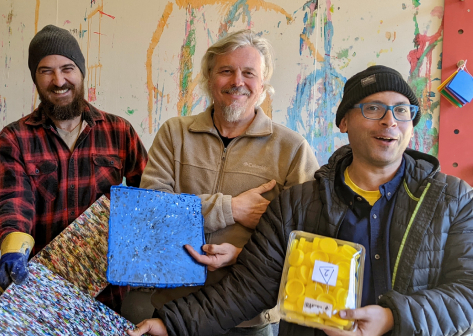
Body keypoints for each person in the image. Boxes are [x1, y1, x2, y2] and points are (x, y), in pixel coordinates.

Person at [129, 65, 473, 336]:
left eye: (402, 110)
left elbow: (468, 293)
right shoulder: (298, 203)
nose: (389, 121)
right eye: (373, 108)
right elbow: (247, 288)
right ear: (343, 121)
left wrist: (390, 318)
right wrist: (171, 324)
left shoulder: (452, 199)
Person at [132, 29, 319, 335]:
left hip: (250, 320)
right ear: (208, 79)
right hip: (172, 311)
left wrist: (243, 257)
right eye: (226, 71)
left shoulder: (292, 148)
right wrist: (229, 208)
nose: (237, 82)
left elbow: (308, 240)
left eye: (249, 73)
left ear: (263, 85)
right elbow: (151, 213)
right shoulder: (174, 134)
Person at [0, 25, 148, 311]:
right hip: (41, 292)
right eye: (45, 71)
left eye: (67, 68)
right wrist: (13, 248)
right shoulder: (14, 138)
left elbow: (150, 195)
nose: (58, 80)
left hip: (109, 293)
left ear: (81, 72)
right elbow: (13, 202)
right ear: (35, 79)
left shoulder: (119, 131)